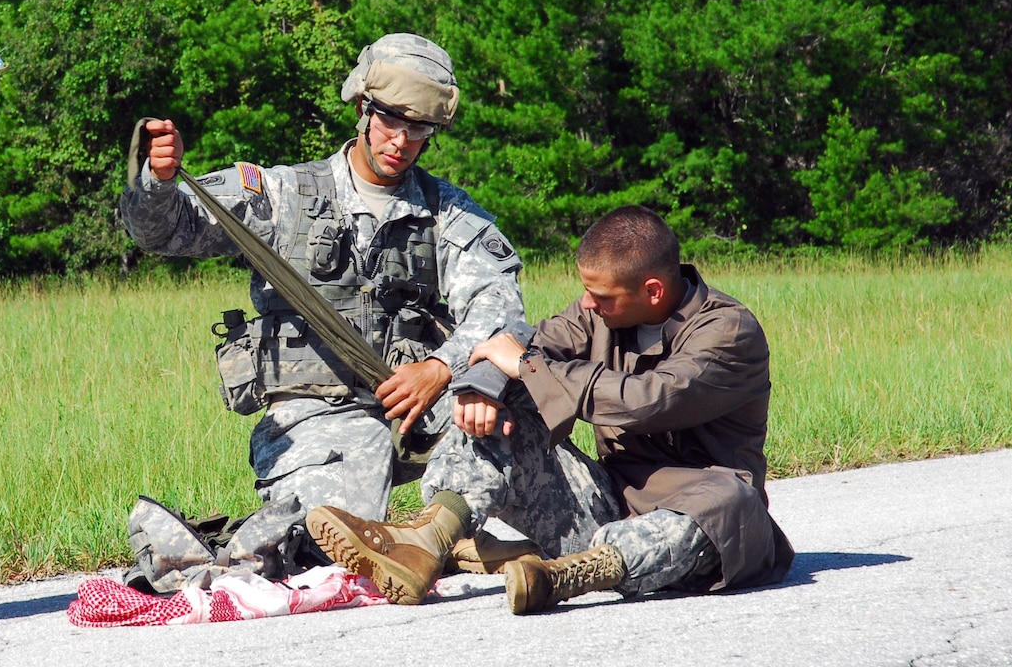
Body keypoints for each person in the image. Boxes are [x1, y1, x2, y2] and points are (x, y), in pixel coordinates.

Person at [120, 33, 570, 593]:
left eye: (420, 128)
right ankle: (443, 543)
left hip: (422, 406)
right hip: (318, 416)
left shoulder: (446, 213)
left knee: (547, 482)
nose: (402, 141)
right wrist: (158, 185)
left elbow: (498, 303)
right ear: (362, 107)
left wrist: (442, 369)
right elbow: (167, 231)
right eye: (391, 120)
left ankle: (447, 531)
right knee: (317, 547)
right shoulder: (280, 194)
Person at [309, 205, 795, 613]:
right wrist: (483, 387)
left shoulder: (729, 332)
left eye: (600, 295)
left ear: (652, 290)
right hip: (609, 504)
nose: (586, 303)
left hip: (701, 520)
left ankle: (565, 577)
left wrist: (526, 366)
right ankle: (428, 541)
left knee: (731, 500)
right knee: (510, 400)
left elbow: (650, 399)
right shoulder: (597, 315)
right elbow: (529, 342)